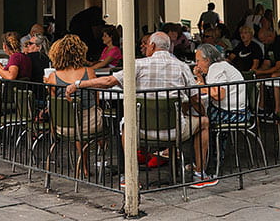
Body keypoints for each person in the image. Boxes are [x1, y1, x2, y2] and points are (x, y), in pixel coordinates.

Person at [65, 32, 217, 189]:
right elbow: (195, 99)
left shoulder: (138, 64)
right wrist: (202, 113)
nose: (144, 47)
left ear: (152, 46)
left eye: (147, 44)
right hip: (174, 130)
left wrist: (78, 84)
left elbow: (109, 81)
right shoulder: (182, 67)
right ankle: (200, 173)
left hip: (140, 131)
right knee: (204, 122)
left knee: (126, 125)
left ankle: (130, 175)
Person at [45, 35, 102, 170]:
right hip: (91, 124)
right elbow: (96, 98)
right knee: (103, 120)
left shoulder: (53, 77)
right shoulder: (89, 72)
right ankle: (91, 158)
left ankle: (82, 164)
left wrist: (47, 85)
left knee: (74, 118)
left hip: (63, 127)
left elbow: (53, 104)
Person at [193, 43, 247, 125]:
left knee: (196, 118)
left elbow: (218, 95)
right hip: (240, 111)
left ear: (207, 60)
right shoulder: (222, 65)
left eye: (198, 61)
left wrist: (200, 86)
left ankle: (207, 137)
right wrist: (199, 76)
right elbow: (209, 88)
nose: (197, 64)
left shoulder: (215, 68)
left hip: (232, 113)